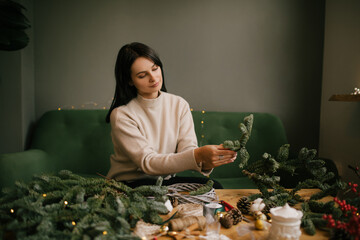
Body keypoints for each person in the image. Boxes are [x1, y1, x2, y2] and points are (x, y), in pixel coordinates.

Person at [106, 42, 237, 188]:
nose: (153, 78)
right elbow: (147, 163)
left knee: (214, 187)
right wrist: (198, 155)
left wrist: (206, 162)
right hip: (129, 184)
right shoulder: (121, 114)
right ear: (130, 80)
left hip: (163, 182)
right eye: (142, 75)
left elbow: (187, 150)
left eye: (155, 69)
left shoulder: (179, 104)